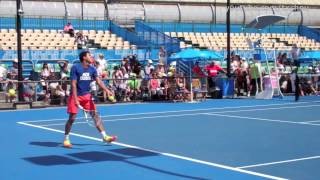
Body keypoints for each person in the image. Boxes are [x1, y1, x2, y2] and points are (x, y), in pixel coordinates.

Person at [63, 51, 117, 148]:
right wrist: (75, 99)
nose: (91, 56)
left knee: (95, 115)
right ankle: (66, 139)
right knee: (72, 118)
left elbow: (98, 81)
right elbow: (73, 84)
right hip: (75, 95)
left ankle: (105, 136)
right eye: (89, 55)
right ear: (84, 57)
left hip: (87, 96)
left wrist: (107, 90)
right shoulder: (76, 67)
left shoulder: (92, 69)